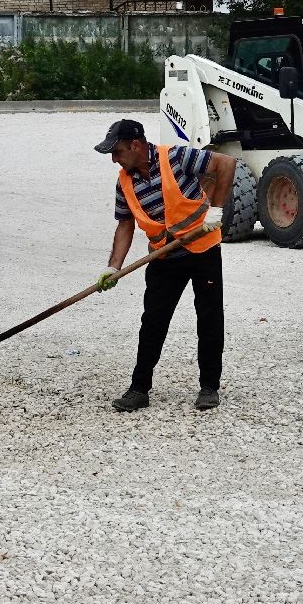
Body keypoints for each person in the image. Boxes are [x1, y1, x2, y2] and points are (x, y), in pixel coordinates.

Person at [92, 119, 237, 412]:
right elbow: (125, 225)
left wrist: (217, 210)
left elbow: (226, 163)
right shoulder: (124, 182)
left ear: (135, 145)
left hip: (202, 248)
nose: (114, 159)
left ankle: (209, 388)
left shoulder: (175, 156)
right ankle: (139, 389)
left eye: (117, 152)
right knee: (153, 323)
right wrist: (113, 267)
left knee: (209, 319)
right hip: (164, 256)